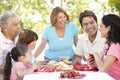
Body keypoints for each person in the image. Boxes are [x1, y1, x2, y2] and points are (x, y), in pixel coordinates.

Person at [89, 14, 120, 80]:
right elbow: (103, 66)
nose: (99, 29)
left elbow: (103, 69)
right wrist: (94, 63)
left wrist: (95, 54)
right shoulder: (107, 44)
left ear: (108, 28)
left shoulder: (115, 46)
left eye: (101, 26)